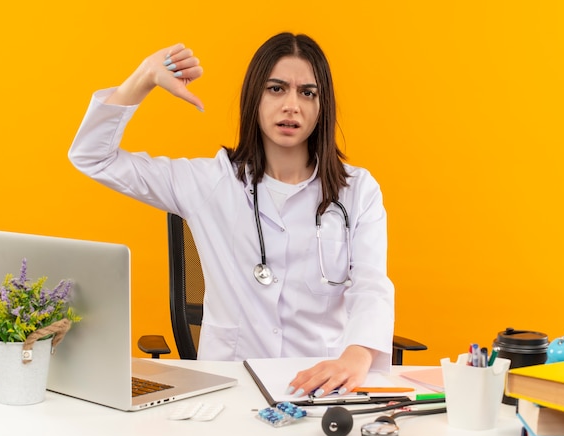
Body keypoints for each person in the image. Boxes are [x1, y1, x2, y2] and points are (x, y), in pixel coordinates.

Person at [69, 32, 394, 399]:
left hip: (319, 383)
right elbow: (92, 157)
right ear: (254, 97)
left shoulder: (357, 190)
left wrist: (356, 356)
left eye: (308, 92)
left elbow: (370, 284)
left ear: (323, 106)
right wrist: (144, 76)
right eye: (276, 89)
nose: (292, 105)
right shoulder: (209, 183)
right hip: (229, 385)